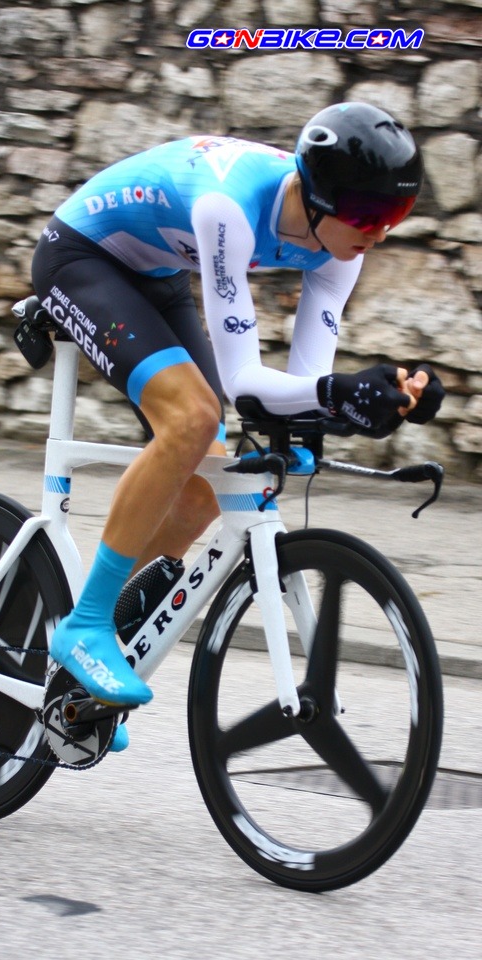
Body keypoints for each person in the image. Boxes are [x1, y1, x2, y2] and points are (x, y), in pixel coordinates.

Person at [31, 101, 444, 749]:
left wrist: (375, 401)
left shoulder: (343, 247)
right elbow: (247, 384)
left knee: (206, 486)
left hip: (158, 272)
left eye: (396, 216)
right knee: (192, 419)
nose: (381, 234)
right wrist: (334, 393)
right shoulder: (229, 207)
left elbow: (304, 386)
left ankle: (83, 668)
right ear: (319, 196)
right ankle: (85, 626)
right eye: (370, 216)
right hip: (82, 258)